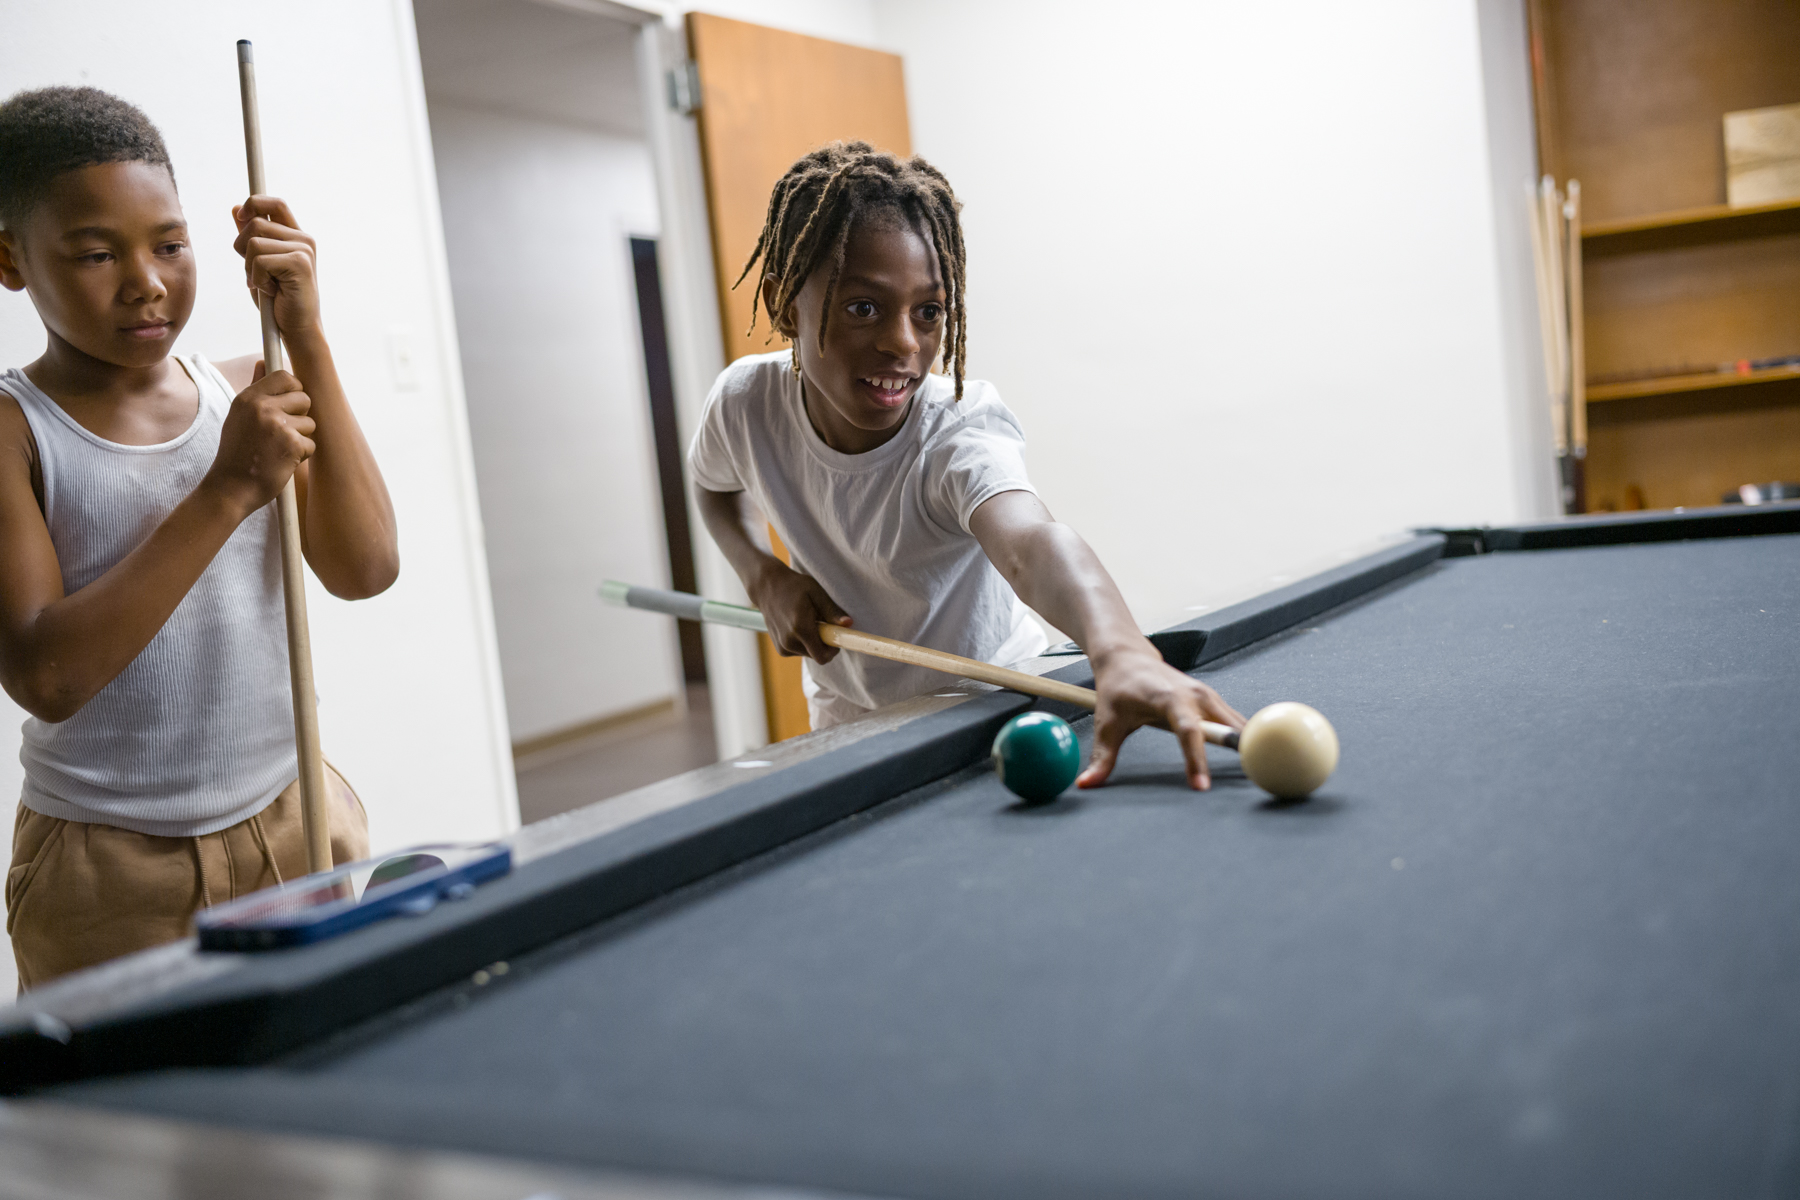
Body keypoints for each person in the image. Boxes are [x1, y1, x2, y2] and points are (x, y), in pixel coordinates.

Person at [690, 141, 1242, 792]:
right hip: (850, 718)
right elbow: (712, 486)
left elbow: (1030, 544)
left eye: (929, 312)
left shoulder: (956, 427)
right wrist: (763, 576)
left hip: (997, 709)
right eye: (863, 307)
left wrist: (1120, 648)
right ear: (786, 304)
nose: (904, 343)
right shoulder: (745, 404)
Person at [0, 87, 398, 989]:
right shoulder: (15, 430)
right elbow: (46, 675)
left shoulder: (248, 386)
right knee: (133, 1123)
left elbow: (366, 567)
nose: (146, 280)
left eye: (171, 245)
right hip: (108, 865)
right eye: (97, 253)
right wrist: (226, 487)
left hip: (292, 814)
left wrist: (305, 332)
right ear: (10, 260)